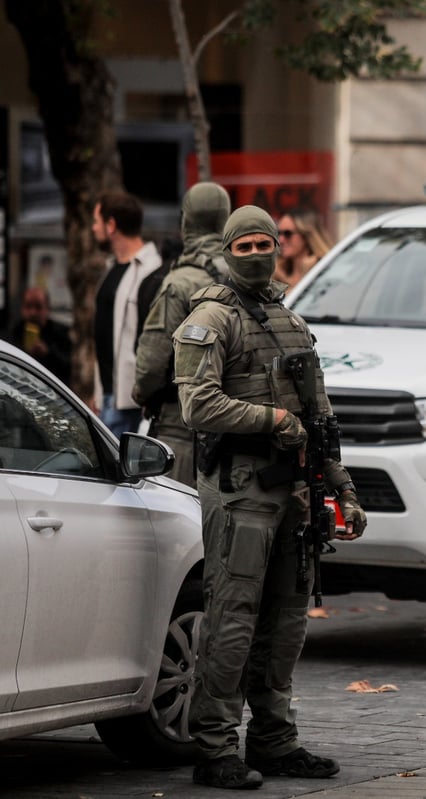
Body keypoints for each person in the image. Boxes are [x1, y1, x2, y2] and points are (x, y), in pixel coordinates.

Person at [173, 205, 368, 789]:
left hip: (297, 495)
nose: (258, 253)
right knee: (233, 621)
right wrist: (271, 420)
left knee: (286, 623)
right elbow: (197, 405)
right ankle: (214, 748)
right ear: (228, 249)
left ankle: (275, 741)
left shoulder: (290, 319)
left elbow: (321, 417)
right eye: (246, 244)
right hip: (242, 493)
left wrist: (344, 489)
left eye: (266, 243)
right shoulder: (212, 318)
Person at [133, 182, 231, 486]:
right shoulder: (246, 274)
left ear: (186, 221)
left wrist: (142, 394)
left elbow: (151, 363)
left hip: (183, 426)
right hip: (240, 432)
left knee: (179, 521)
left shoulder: (179, 283)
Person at [92, 191, 161, 437]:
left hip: (131, 400)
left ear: (111, 226)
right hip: (109, 394)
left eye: (97, 221)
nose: (93, 228)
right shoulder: (112, 267)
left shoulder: (152, 269)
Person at [8, 286, 72, 384]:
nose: (33, 313)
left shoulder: (61, 333)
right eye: (28, 306)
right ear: (22, 309)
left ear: (47, 309)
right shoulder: (13, 333)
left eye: (38, 307)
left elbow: (69, 368)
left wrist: (48, 354)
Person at [273, 210, 332, 288]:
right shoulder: (276, 273)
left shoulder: (325, 270)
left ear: (305, 236)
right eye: (279, 233)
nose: (281, 240)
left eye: (288, 234)